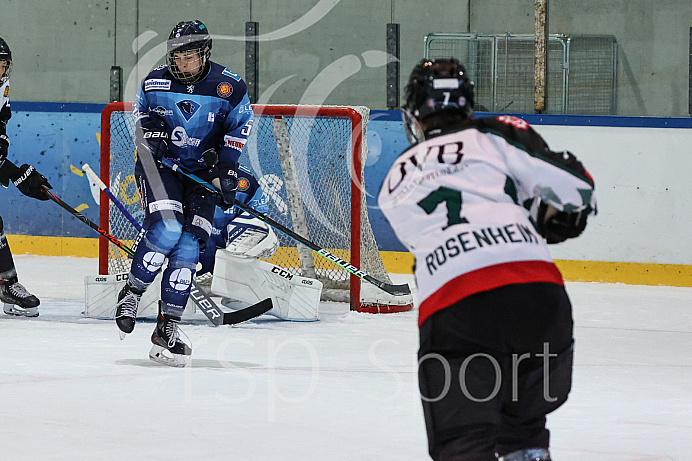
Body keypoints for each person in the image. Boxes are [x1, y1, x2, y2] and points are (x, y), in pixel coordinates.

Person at [377, 58, 596, 461]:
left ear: (416, 114)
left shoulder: (394, 179)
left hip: (457, 308)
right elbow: (577, 189)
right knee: (524, 435)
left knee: (463, 443)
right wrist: (552, 216)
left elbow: (450, 235)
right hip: (539, 299)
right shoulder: (496, 133)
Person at [114, 20, 254, 367]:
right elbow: (140, 118)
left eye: (189, 57)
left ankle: (167, 327)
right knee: (168, 229)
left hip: (202, 175)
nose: (181, 64)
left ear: (205, 53)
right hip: (160, 168)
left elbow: (239, 129)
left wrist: (227, 170)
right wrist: (150, 135)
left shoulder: (230, 85)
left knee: (190, 244)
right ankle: (131, 293)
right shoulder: (154, 81)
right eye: (176, 58)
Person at [0, 37, 53, 317]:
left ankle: (7, 285)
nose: (0, 71)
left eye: (2, 65)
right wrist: (17, 175)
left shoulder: (1, 88)